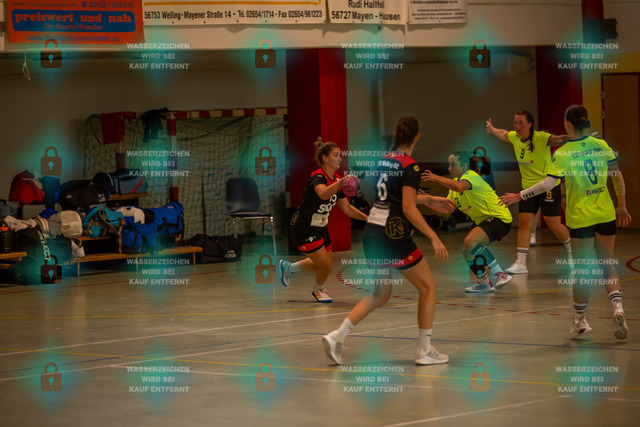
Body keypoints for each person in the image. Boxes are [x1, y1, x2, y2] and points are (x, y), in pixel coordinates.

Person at [322, 115, 455, 365]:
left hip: (373, 233)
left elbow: (392, 198)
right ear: (417, 136)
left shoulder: (384, 161)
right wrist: (434, 236)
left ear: (396, 135)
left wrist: (429, 200)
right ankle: (424, 351)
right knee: (428, 287)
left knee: (380, 294)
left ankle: (337, 336)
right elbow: (407, 207)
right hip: (393, 235)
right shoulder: (411, 167)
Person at [500, 105, 632, 339]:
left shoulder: (563, 153)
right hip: (605, 214)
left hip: (581, 218)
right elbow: (617, 175)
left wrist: (520, 195)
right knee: (607, 265)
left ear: (567, 124)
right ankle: (618, 308)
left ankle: (580, 320)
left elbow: (547, 185)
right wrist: (621, 205)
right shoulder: (600, 144)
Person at [278, 139, 368, 303]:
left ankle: (288, 268)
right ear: (325, 158)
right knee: (326, 266)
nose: (340, 158)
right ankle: (318, 290)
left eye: (339, 155)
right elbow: (323, 194)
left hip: (320, 227)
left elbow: (346, 207)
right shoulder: (318, 177)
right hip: (303, 227)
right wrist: (340, 182)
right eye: (336, 155)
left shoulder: (337, 179)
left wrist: (365, 218)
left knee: (321, 263)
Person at [486, 111, 571, 274]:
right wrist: (492, 129)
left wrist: (575, 137)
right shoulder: (515, 137)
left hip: (547, 187)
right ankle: (521, 263)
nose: (517, 126)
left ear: (530, 124)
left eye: (521, 123)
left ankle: (574, 253)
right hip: (527, 188)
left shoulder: (541, 137)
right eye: (515, 123)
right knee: (524, 223)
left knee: (553, 224)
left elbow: (558, 139)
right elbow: (503, 134)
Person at [423, 151, 513, 293]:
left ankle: (500, 274)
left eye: (453, 165)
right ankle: (483, 283)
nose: (449, 168)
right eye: (449, 165)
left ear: (464, 166)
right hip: (482, 220)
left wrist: (436, 178)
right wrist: (427, 201)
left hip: (499, 217)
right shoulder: (454, 187)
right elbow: (447, 209)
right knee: (467, 251)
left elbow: (459, 187)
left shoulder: (471, 176)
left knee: (471, 241)